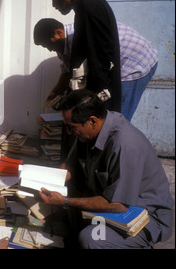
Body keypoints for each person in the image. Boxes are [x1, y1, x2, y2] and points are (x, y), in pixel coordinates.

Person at [39, 89, 173, 249]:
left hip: (142, 214)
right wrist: (42, 183)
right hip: (111, 197)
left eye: (71, 127)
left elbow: (119, 204)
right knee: (68, 199)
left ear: (92, 121)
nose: (69, 132)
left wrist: (65, 201)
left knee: (91, 239)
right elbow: (69, 168)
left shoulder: (126, 144)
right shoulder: (88, 130)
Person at [34, 18, 159, 121]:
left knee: (117, 117)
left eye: (49, 45)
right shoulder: (62, 44)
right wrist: (54, 94)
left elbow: (91, 78)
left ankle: (120, 147)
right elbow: (68, 72)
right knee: (102, 110)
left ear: (58, 33)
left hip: (136, 62)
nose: (50, 50)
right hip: (117, 65)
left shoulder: (78, 40)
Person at [44, 0, 122, 112]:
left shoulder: (90, 5)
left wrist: (95, 99)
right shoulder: (85, 7)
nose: (54, 5)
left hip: (102, 96)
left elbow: (101, 57)